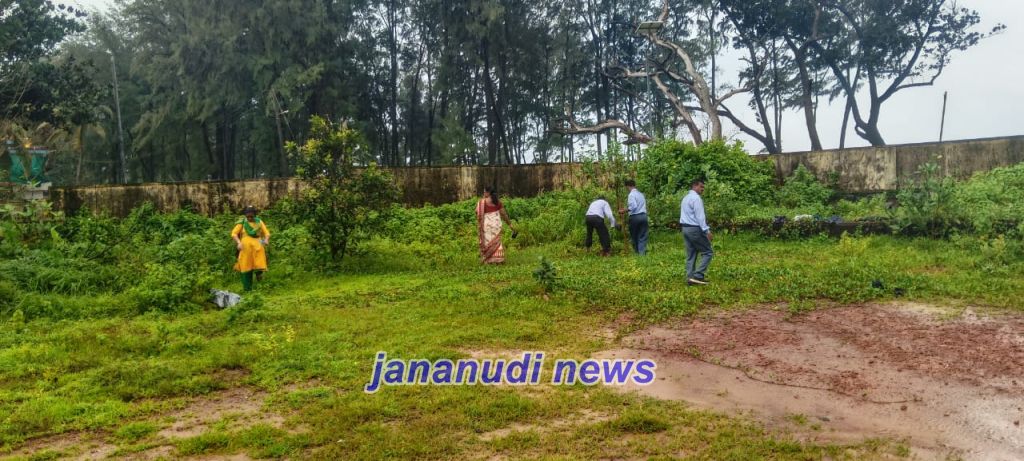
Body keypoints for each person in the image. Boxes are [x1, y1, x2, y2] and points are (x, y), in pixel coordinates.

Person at [680, 179, 713, 285]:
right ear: (694, 186)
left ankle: (690, 278)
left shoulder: (685, 198)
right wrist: (707, 230)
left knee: (691, 254)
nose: (702, 189)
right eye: (701, 186)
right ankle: (698, 275)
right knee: (708, 252)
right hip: (694, 229)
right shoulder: (696, 198)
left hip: (685, 228)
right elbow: (700, 216)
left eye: (703, 187)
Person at [231, 206, 270, 291]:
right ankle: (247, 289)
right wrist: (239, 242)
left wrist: (266, 240)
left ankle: (260, 285)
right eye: (248, 216)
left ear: (255, 215)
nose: (249, 218)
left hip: (258, 246)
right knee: (246, 266)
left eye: (251, 216)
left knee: (259, 265)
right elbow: (234, 233)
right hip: (245, 248)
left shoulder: (259, 222)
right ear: (245, 215)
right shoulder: (242, 223)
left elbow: (266, 233)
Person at [475, 187, 514, 264]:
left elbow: (477, 212)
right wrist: (510, 224)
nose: (483, 193)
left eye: (484, 192)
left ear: (488, 193)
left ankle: (488, 259)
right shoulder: (498, 202)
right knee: (496, 241)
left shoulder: (482, 202)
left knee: (487, 241)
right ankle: (498, 259)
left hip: (487, 225)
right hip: (496, 225)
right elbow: (503, 214)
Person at [620, 179, 649, 255]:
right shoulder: (641, 194)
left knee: (634, 235)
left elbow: (633, 206)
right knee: (642, 235)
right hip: (643, 216)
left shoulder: (631, 195)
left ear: (627, 186)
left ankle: (637, 253)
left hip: (635, 217)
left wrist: (624, 210)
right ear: (634, 185)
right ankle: (642, 254)